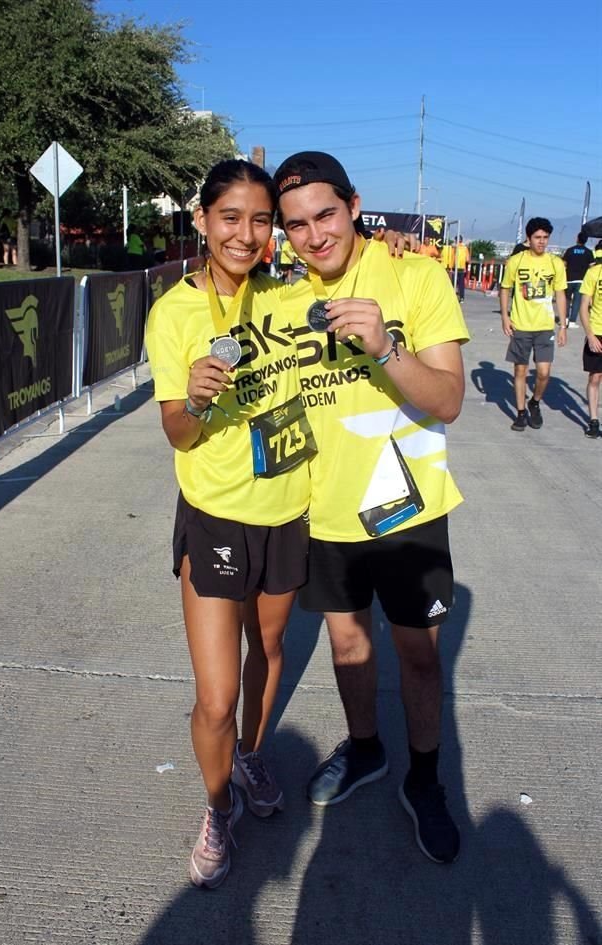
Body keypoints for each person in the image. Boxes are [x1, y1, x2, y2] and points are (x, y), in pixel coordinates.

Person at [273, 151, 469, 864]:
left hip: (407, 511)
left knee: (417, 656)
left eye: (325, 214)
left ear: (354, 206)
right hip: (323, 514)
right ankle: (365, 750)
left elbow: (448, 398)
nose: (314, 235)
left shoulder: (415, 275)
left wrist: (385, 347)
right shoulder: (284, 300)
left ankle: (424, 778)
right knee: (348, 646)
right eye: (295, 224)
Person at [145, 159, 314, 888]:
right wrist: (192, 398)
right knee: (214, 695)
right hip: (215, 515)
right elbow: (178, 434)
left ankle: (250, 755)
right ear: (202, 220)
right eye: (231, 218)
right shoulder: (173, 313)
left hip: (287, 508)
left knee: (268, 648)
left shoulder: (288, 295)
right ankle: (217, 806)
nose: (247, 235)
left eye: (260, 219)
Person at [500, 217, 568, 432]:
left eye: (545, 237)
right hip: (520, 325)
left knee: (543, 372)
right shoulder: (516, 261)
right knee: (520, 371)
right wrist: (505, 316)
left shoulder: (555, 263)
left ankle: (535, 402)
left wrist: (563, 326)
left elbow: (561, 293)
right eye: (537, 237)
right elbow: (505, 288)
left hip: (545, 326)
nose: (542, 242)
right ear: (528, 239)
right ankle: (520, 413)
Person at [578, 258, 602, 438]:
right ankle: (594, 420)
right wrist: (590, 335)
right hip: (598, 331)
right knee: (595, 377)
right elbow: (584, 306)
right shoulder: (594, 272)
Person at [562, 232, 594, 328]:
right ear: (586, 240)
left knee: (566, 299)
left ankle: (565, 318)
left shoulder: (570, 250)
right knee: (577, 301)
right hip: (581, 280)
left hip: (569, 278)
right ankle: (572, 322)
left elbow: (563, 263)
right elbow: (592, 267)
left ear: (577, 239)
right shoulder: (588, 252)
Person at [453, 236, 470, 302]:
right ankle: (461, 297)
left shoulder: (454, 247)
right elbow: (468, 259)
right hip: (462, 268)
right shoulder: (465, 248)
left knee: (454, 283)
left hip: (455, 267)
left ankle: (455, 296)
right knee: (461, 284)